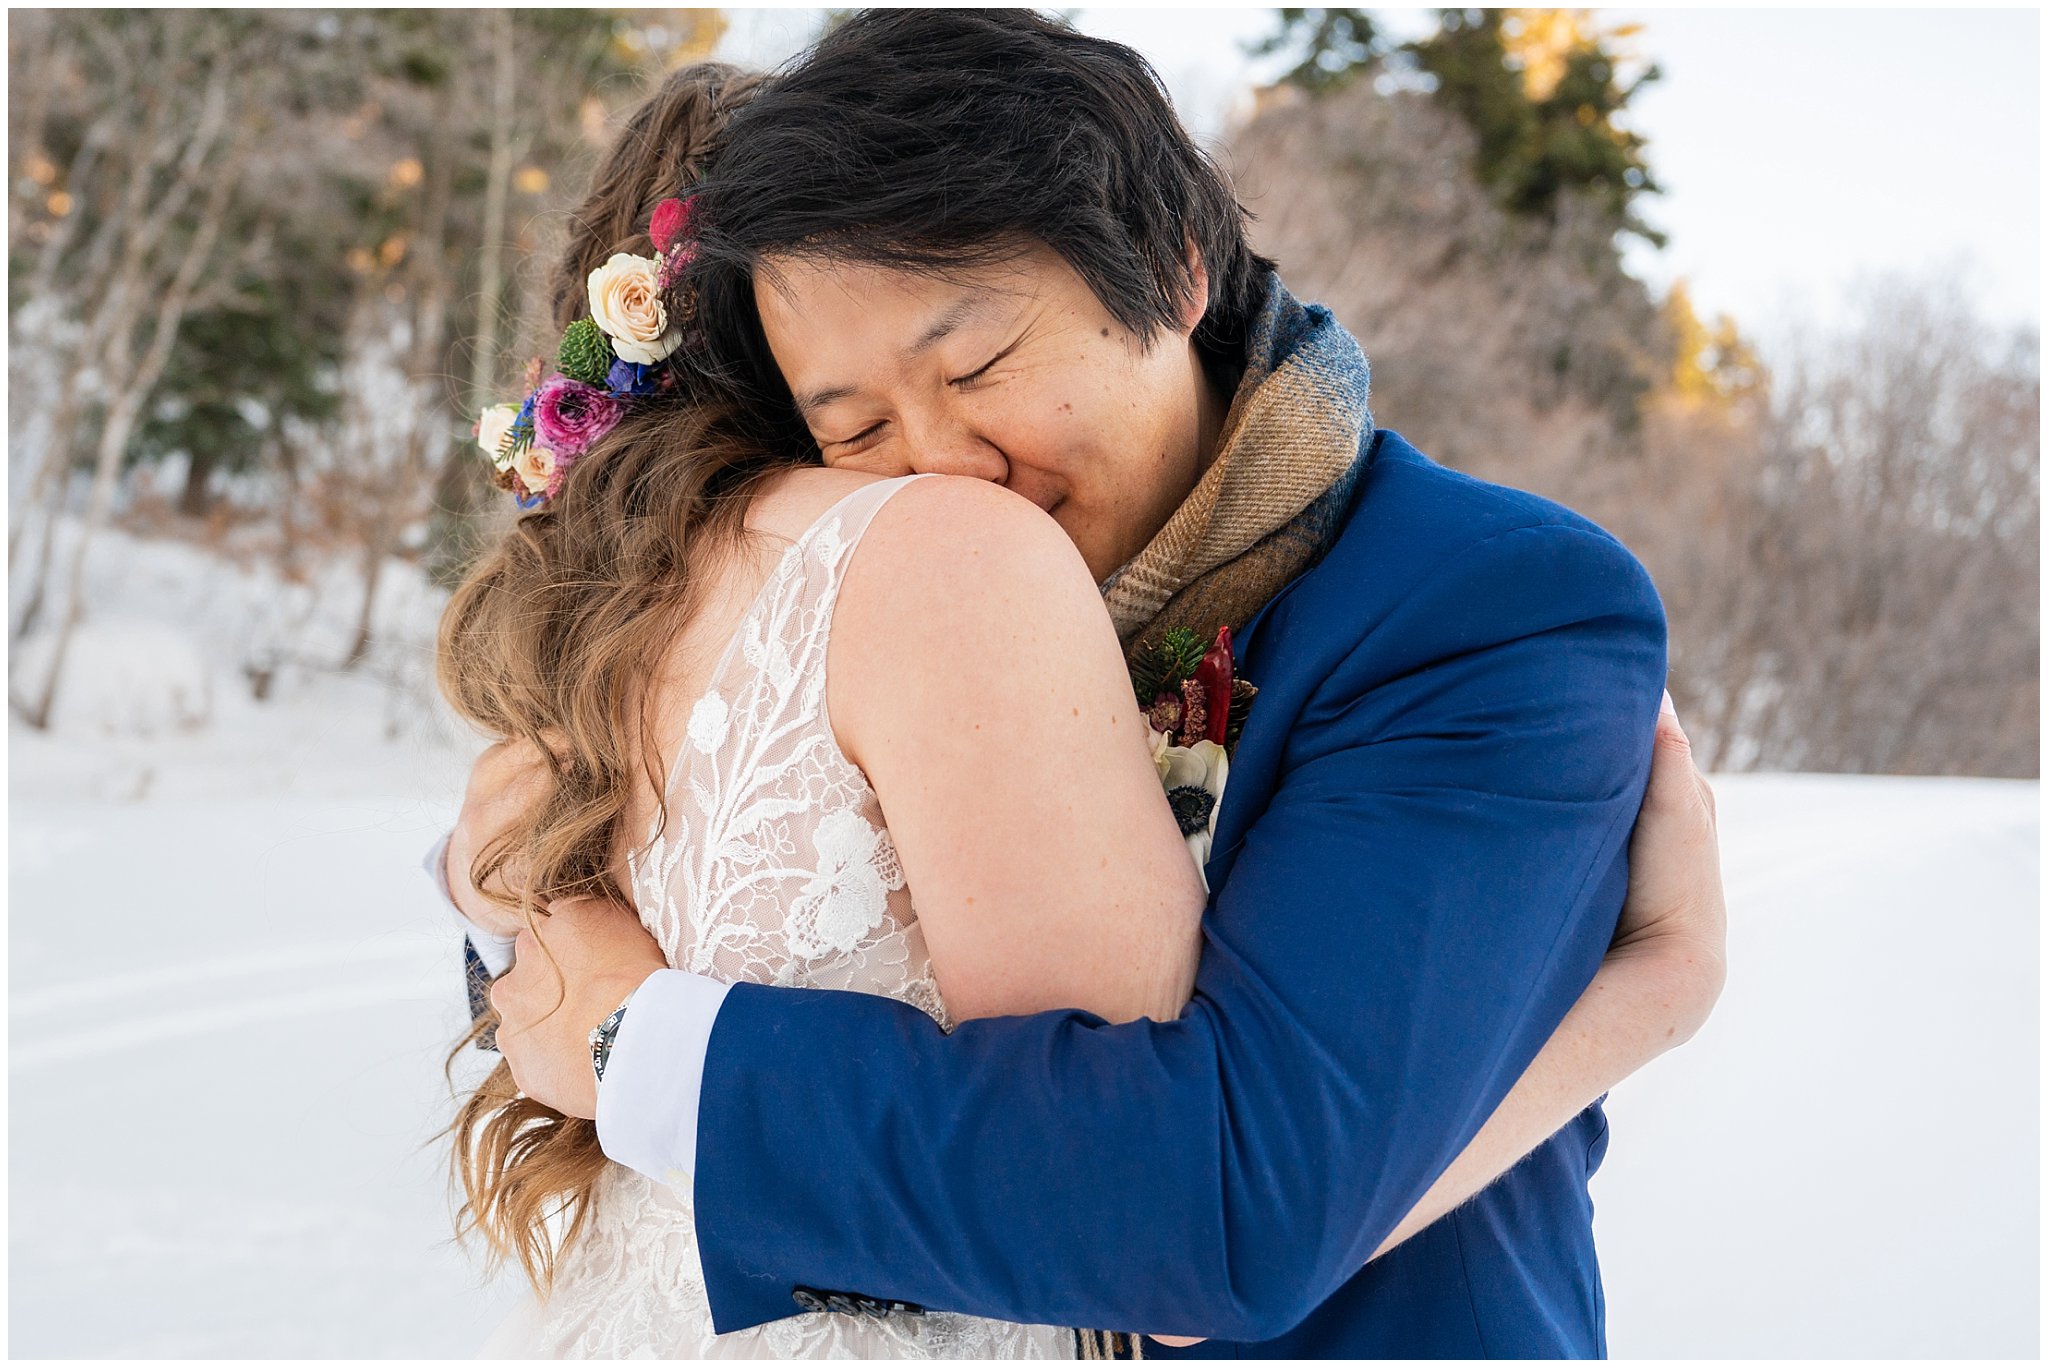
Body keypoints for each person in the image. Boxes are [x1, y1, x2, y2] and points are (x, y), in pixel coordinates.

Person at [455, 13, 1727, 1359]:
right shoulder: (881, 585)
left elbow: (1233, 1217)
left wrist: (638, 1052)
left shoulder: (1482, 608)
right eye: (858, 427)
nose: (939, 463)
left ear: (1174, 271)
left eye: (980, 368)